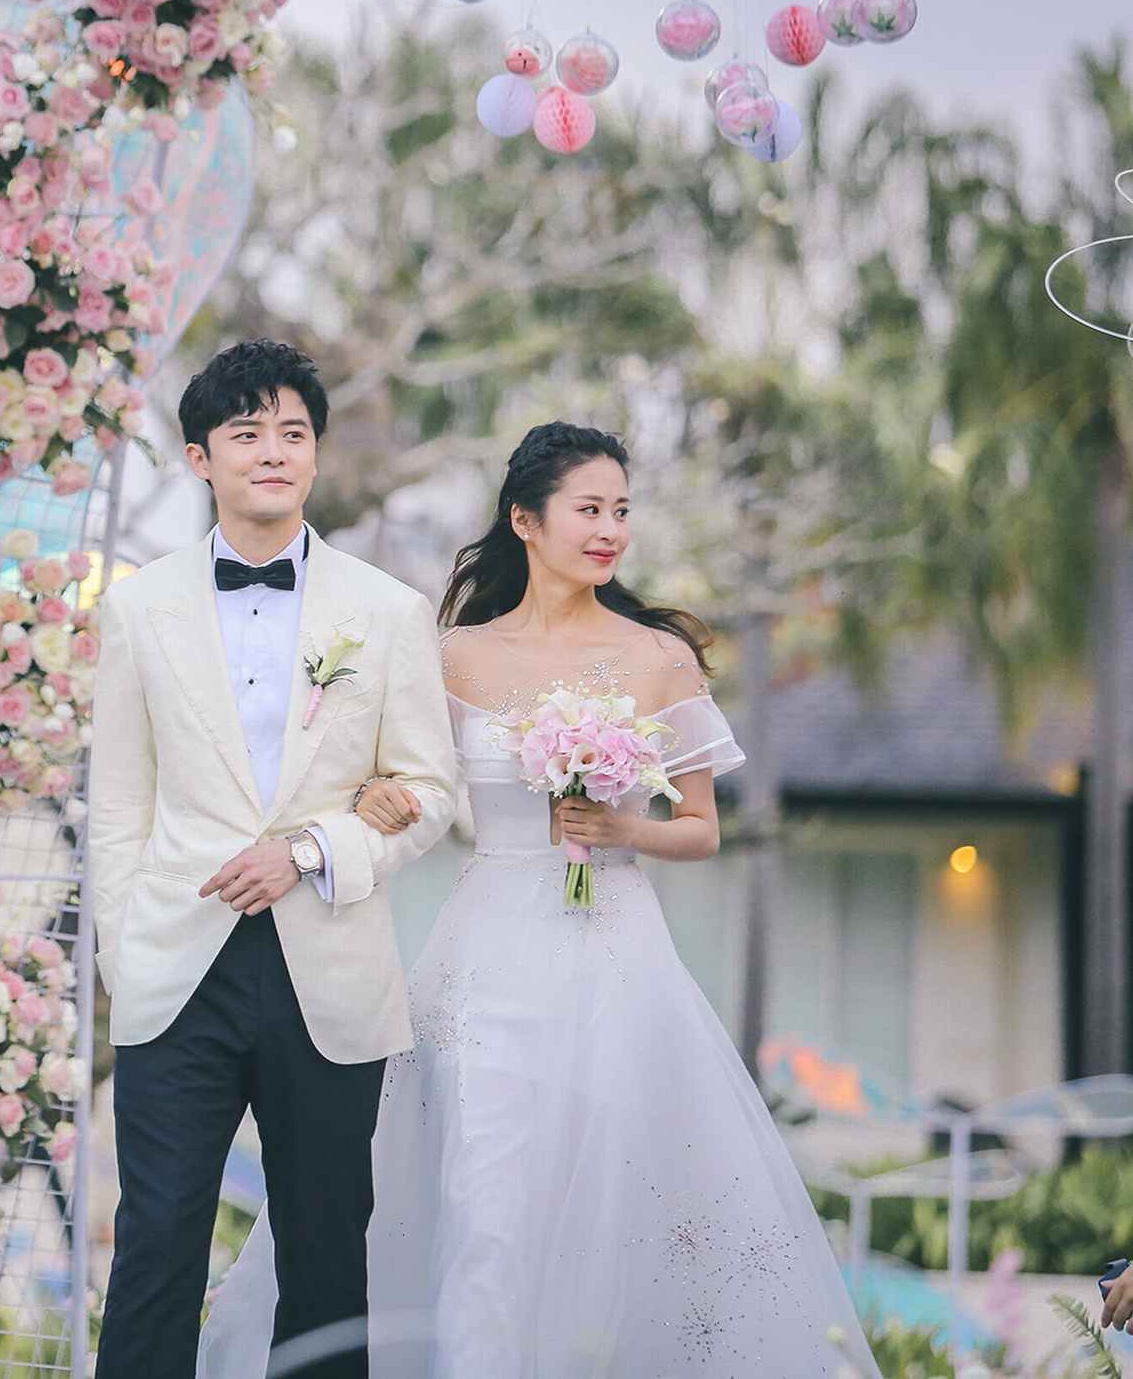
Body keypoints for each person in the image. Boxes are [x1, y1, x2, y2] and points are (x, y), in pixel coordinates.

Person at [199, 422, 881, 1376]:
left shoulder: (659, 657)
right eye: (588, 509)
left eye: (621, 512)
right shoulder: (453, 654)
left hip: (618, 956)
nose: (610, 531)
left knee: (610, 1204)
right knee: (485, 1196)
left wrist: (623, 830)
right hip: (487, 951)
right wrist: (375, 794)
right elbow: (394, 777)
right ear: (525, 519)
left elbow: (701, 828)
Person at [88, 341, 459, 1378]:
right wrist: (127, 953)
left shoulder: (387, 611)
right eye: (246, 433)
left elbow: (431, 794)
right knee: (156, 1247)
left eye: (293, 433)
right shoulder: (138, 607)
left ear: (317, 453)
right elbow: (117, 808)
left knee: (327, 1255)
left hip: (329, 968)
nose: (273, 452)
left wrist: (309, 850)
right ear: (200, 457)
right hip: (178, 969)